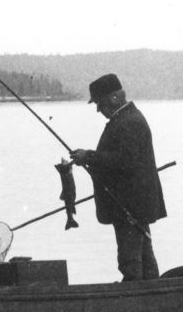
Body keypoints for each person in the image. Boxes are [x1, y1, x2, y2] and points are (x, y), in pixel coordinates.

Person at [69, 74, 167, 282]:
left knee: (130, 260)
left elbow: (125, 161)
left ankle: (135, 302)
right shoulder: (127, 118)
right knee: (144, 257)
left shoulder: (129, 122)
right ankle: (153, 295)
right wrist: (90, 159)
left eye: (99, 103)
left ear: (114, 98)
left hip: (130, 205)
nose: (98, 109)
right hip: (135, 204)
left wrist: (89, 157)